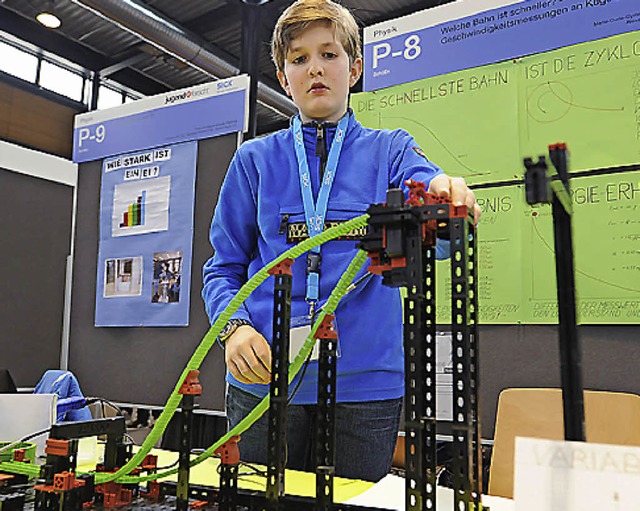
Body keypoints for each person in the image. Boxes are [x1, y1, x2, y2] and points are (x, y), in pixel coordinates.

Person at [202, 0, 481, 482]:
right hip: (264, 382)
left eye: (329, 54)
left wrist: (445, 198)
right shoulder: (254, 160)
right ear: (283, 75)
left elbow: (433, 223)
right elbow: (222, 269)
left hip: (365, 388)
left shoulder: (391, 150)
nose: (315, 68)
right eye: (299, 58)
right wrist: (235, 330)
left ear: (354, 68)